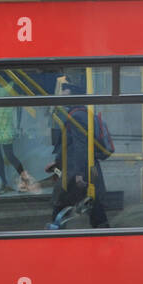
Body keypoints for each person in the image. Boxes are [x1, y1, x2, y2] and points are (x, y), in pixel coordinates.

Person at [47, 73, 115, 227]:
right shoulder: (81, 113)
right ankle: (104, 233)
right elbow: (72, 145)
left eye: (65, 90)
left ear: (72, 94)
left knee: (61, 204)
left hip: (76, 171)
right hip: (83, 168)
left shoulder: (77, 116)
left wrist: (79, 173)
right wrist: (58, 161)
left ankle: (54, 233)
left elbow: (80, 146)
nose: (62, 93)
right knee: (94, 207)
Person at [0, 74, 39, 196]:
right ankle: (4, 183)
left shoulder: (13, 84)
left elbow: (19, 107)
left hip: (6, 123)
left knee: (10, 156)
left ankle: (26, 180)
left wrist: (19, 125)